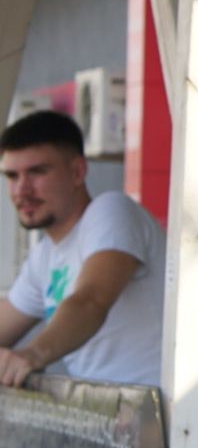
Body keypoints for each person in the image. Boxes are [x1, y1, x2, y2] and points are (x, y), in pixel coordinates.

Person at [0, 111, 165, 388]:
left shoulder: (110, 211)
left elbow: (91, 300)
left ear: (77, 172)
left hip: (171, 410)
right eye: (12, 176)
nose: (21, 190)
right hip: (111, 412)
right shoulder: (44, 256)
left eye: (37, 172)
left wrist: (31, 355)